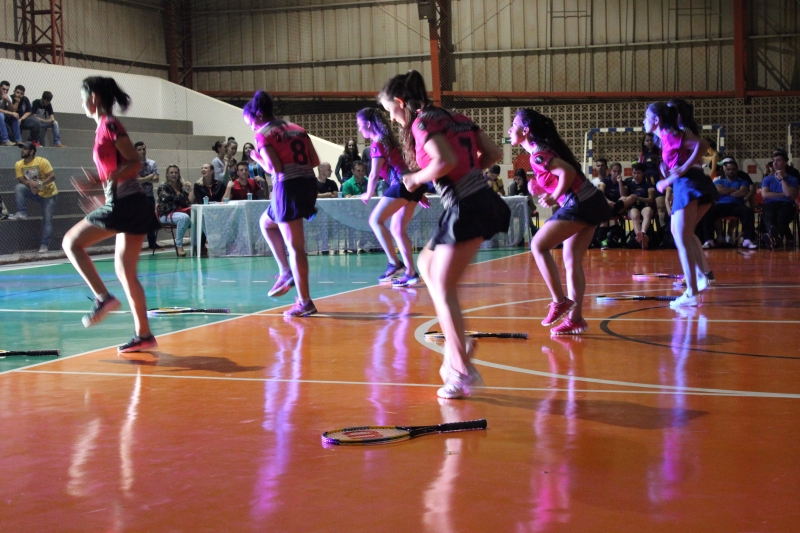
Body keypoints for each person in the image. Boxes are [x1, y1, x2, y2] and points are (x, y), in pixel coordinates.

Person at [380, 70, 509, 399]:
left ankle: (461, 369)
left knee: (442, 285)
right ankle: (458, 345)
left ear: (400, 102)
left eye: (390, 111)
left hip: (466, 205)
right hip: (478, 200)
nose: (392, 119)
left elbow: (445, 160)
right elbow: (493, 153)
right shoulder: (457, 117)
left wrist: (415, 179)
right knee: (426, 264)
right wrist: (466, 173)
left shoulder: (422, 122)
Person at [62, 76, 159, 353]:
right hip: (131, 203)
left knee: (71, 242)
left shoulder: (109, 124)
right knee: (125, 272)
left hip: (126, 203)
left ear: (93, 97)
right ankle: (144, 335)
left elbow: (135, 163)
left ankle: (103, 298)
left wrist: (101, 182)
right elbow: (119, 170)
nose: (82, 103)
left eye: (83, 98)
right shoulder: (104, 127)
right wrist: (102, 189)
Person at [510, 108, 611, 335]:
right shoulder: (542, 151)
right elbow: (560, 176)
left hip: (580, 203)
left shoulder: (538, 154)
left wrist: (554, 195)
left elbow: (568, 172)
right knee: (571, 259)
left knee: (538, 245)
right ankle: (575, 320)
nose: (509, 129)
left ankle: (559, 301)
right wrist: (541, 186)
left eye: (513, 125)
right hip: (591, 202)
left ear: (526, 131)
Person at [244, 90, 320, 317]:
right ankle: (285, 271)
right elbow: (315, 161)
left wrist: (256, 158)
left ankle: (305, 302)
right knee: (266, 222)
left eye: (250, 122)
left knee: (295, 247)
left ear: (258, 115)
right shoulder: (297, 128)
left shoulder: (263, 135)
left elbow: (274, 168)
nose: (251, 127)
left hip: (288, 186)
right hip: (308, 184)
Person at [647, 100, 717, 308]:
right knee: (682, 234)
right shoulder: (664, 138)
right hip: (691, 183)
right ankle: (701, 276)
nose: (643, 121)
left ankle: (692, 291)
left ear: (657, 119)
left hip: (689, 183)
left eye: (646, 117)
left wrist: (676, 173)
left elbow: (702, 145)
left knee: (681, 236)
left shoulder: (672, 134)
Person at [357, 107, 426, 285]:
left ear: (368, 124)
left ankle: (394, 263)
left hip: (401, 185)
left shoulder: (377, 144)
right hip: (412, 185)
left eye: (360, 125)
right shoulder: (389, 142)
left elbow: (374, 174)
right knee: (397, 230)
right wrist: (418, 193)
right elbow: (403, 166)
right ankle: (410, 273)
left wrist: (368, 194)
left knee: (375, 221)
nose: (359, 129)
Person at [9, 142, 58, 252]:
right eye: (22, 148)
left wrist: (40, 183)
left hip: (49, 194)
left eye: (25, 149)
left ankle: (44, 245)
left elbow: (52, 176)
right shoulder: (19, 164)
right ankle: (22, 212)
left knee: (47, 220)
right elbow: (21, 179)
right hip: (34, 191)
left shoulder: (42, 161)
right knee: (19, 188)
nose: (22, 151)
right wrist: (29, 183)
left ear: (31, 152)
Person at [702, 158, 758, 250]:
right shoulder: (719, 180)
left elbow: (743, 192)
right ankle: (709, 240)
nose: (731, 171)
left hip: (737, 205)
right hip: (721, 205)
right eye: (728, 169)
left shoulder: (743, 181)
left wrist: (726, 192)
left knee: (748, 212)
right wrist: (735, 190)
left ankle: (747, 240)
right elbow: (718, 190)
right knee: (707, 213)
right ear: (725, 170)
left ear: (737, 170)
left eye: (733, 169)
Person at [760, 148, 799, 249]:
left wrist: (782, 179)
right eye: (774, 160)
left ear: (785, 162)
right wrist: (783, 194)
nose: (775, 163)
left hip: (786, 204)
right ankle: (775, 238)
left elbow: (789, 194)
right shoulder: (767, 179)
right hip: (770, 203)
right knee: (768, 214)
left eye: (778, 160)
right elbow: (765, 195)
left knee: (782, 216)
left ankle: (772, 238)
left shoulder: (792, 179)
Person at [156, 165, 192, 256]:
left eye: (176, 173)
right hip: (165, 215)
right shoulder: (163, 187)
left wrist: (189, 190)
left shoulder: (181, 188)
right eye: (171, 172)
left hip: (179, 213)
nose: (174, 174)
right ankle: (179, 245)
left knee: (197, 218)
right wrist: (181, 196)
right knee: (184, 218)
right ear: (167, 174)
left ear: (179, 174)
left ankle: (197, 245)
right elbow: (168, 199)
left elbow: (186, 202)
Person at [192, 163, 225, 256]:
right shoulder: (197, 186)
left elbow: (221, 201)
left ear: (212, 171)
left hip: (218, 212)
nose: (203, 169)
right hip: (204, 213)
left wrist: (215, 212)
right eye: (202, 168)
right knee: (203, 220)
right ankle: (201, 246)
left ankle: (225, 245)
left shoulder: (220, 184)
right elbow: (199, 202)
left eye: (206, 168)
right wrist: (209, 213)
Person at [134, 141, 161, 250]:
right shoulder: (133, 164)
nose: (142, 151)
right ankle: (135, 245)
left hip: (149, 196)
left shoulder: (152, 163)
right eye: (139, 150)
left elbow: (156, 179)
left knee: (150, 220)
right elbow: (136, 180)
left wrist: (143, 179)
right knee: (137, 220)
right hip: (136, 196)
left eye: (143, 149)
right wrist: (149, 177)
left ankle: (152, 243)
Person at [622, 162, 656, 248]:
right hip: (633, 207)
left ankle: (643, 233)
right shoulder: (628, 183)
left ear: (643, 173)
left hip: (644, 205)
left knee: (648, 212)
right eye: (634, 173)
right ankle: (641, 240)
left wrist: (638, 198)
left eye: (638, 173)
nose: (636, 175)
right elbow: (623, 196)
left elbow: (650, 200)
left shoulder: (648, 184)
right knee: (635, 215)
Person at [640, 132, 666, 225]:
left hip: (659, 184)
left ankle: (663, 229)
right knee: (649, 209)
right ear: (644, 142)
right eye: (647, 140)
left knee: (661, 207)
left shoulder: (661, 153)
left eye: (651, 140)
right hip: (647, 185)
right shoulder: (642, 155)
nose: (649, 142)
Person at [0, 81, 22, 146]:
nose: (5, 91)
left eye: (7, 90)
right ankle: (5, 140)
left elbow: (12, 110)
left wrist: (9, 101)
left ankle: (18, 140)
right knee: (0, 116)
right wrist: (11, 113)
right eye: (3, 89)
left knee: (15, 116)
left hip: (4, 116)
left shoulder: (7, 97)